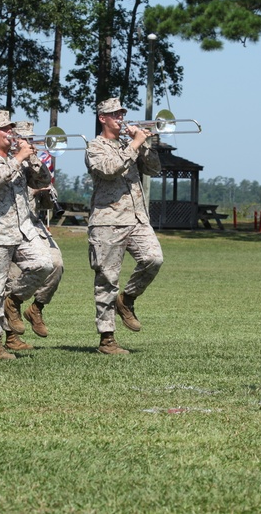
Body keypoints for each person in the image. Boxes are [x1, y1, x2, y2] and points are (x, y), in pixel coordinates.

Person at [0, 110, 54, 359]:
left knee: (44, 264)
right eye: (5, 129)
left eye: (11, 129)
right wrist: (18, 157)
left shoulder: (19, 160)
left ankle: (14, 301)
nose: (10, 133)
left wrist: (33, 159)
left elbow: (43, 180)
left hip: (22, 229)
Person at [85, 97, 163, 355]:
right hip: (108, 221)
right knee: (107, 279)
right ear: (102, 118)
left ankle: (127, 299)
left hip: (137, 218)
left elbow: (154, 169)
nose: (120, 118)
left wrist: (146, 144)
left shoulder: (130, 143)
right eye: (114, 114)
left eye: (122, 114)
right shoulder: (95, 146)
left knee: (153, 259)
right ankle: (107, 339)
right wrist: (135, 143)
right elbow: (110, 169)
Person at [10, 121, 64, 339]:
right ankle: (10, 337)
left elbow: (47, 197)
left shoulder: (33, 163)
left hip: (32, 224)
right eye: (26, 139)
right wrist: (32, 193)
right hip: (10, 226)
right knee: (12, 277)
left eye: (32, 139)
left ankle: (37, 308)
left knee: (56, 264)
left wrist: (47, 195)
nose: (31, 143)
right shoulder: (3, 161)